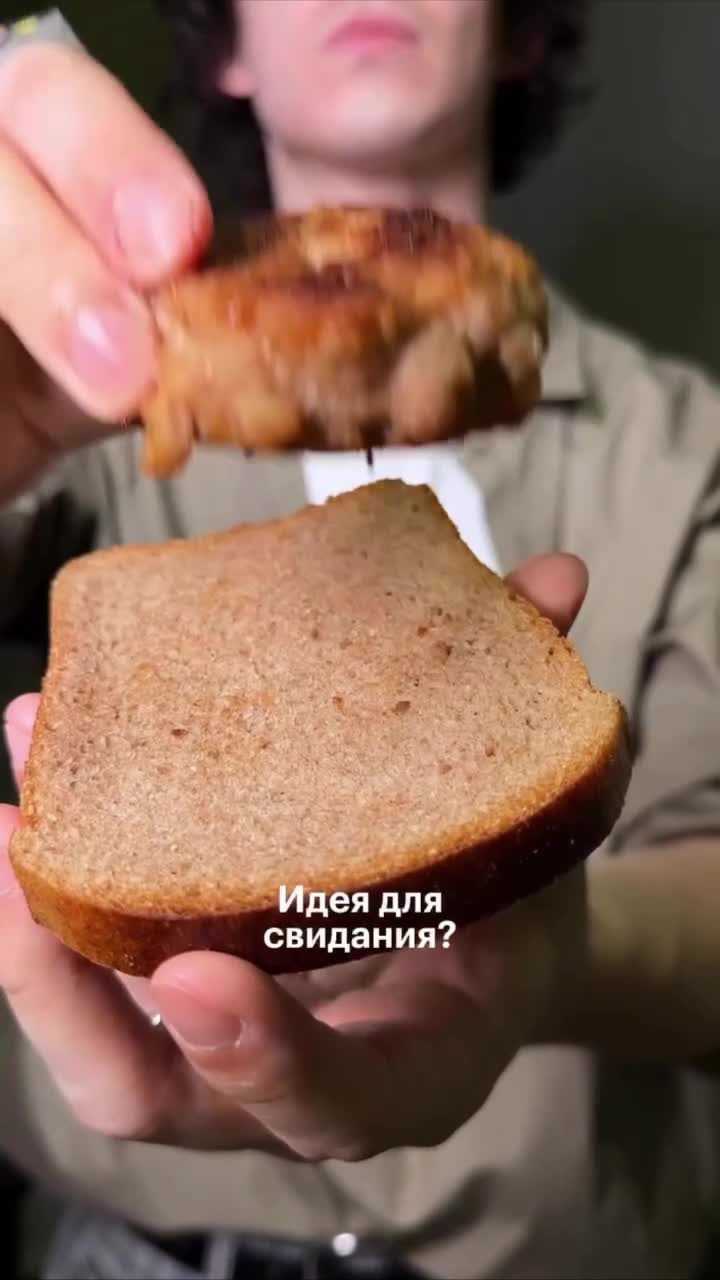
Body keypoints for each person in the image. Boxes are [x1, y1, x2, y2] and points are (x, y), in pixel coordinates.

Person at [0, 3, 719, 1278]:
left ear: (516, 34)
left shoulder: (686, 443)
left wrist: (546, 951)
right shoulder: (75, 412)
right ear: (226, 49)